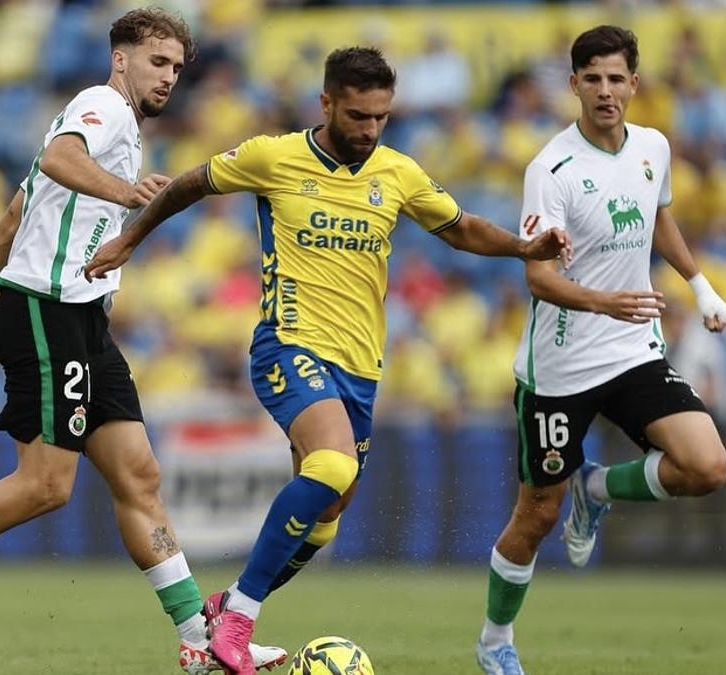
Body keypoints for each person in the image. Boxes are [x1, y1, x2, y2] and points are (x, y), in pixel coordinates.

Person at [85, 46, 571, 675]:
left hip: (361, 368)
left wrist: (523, 246)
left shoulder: (397, 173)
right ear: (327, 103)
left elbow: (460, 227)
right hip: (288, 344)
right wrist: (129, 237)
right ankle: (237, 623)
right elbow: (187, 184)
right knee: (333, 463)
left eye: (381, 118)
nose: (370, 131)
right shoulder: (273, 156)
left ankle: (223, 609)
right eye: (358, 116)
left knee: (329, 514)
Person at [0, 9, 286, 672]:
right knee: (47, 484)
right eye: (157, 61)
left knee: (139, 474)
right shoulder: (101, 107)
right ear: (121, 58)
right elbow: (60, 160)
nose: (168, 77)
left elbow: (11, 218)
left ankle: (199, 639)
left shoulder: (116, 130)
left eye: (176, 67)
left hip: (81, 316)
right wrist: (127, 193)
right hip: (47, 311)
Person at [474, 26, 726, 675]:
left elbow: (658, 213)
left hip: (633, 350)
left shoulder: (653, 147)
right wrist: (604, 301)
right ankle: (494, 642)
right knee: (536, 515)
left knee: (705, 467)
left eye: (616, 78)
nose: (605, 90)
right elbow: (537, 276)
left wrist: (700, 285)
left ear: (634, 84)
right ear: (574, 86)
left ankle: (598, 484)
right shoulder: (552, 169)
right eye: (592, 78)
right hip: (559, 369)